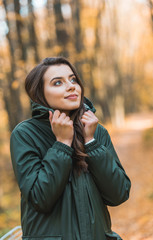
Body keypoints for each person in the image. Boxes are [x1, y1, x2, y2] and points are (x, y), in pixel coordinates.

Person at [10, 57, 131, 240]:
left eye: (73, 79)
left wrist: (90, 142)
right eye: (57, 82)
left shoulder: (97, 132)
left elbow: (119, 193)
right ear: (39, 93)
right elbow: (40, 198)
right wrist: (62, 144)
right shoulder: (25, 134)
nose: (71, 86)